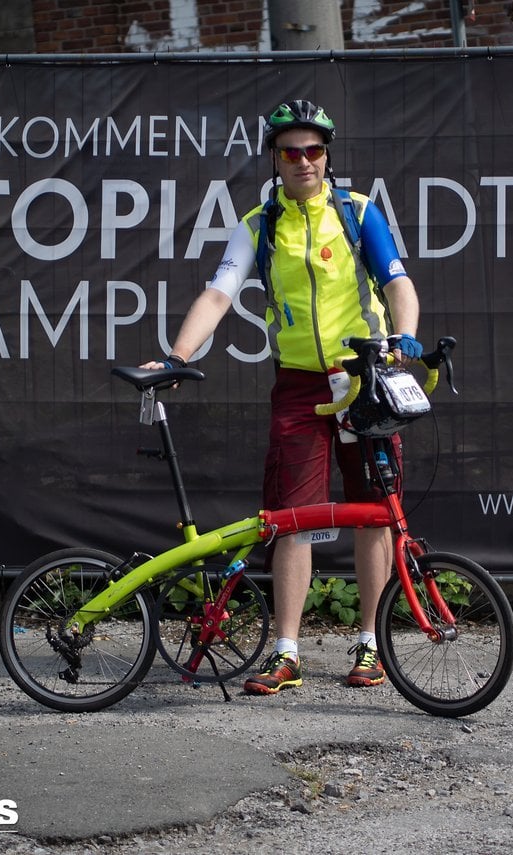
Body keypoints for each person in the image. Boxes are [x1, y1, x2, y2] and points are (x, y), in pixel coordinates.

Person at [143, 99, 421, 695]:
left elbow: (398, 282)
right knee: (289, 519)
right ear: (275, 158)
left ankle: (371, 645)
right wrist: (177, 357)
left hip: (362, 378)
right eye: (291, 152)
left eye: (314, 150)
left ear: (328, 156)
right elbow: (218, 295)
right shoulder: (259, 223)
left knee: (374, 513)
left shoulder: (356, 212)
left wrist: (403, 338)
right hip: (297, 385)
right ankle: (286, 652)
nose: (303, 161)